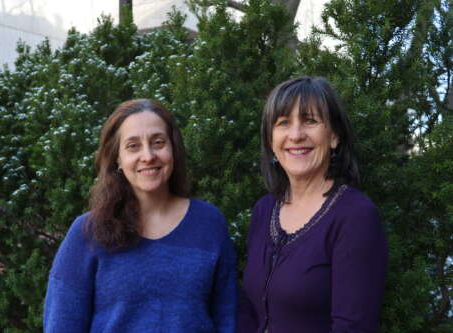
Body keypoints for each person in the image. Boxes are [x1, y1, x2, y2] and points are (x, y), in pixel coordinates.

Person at [44, 99, 237, 332]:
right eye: (133, 146)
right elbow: (61, 325)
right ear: (117, 157)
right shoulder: (88, 232)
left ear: (173, 149)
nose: (148, 156)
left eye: (158, 142)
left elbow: (229, 318)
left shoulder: (209, 223)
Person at [237, 76, 388, 333]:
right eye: (283, 123)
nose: (296, 135)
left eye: (310, 121)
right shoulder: (264, 210)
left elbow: (354, 327)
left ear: (334, 137)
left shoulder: (355, 217)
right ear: (271, 140)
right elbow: (249, 313)